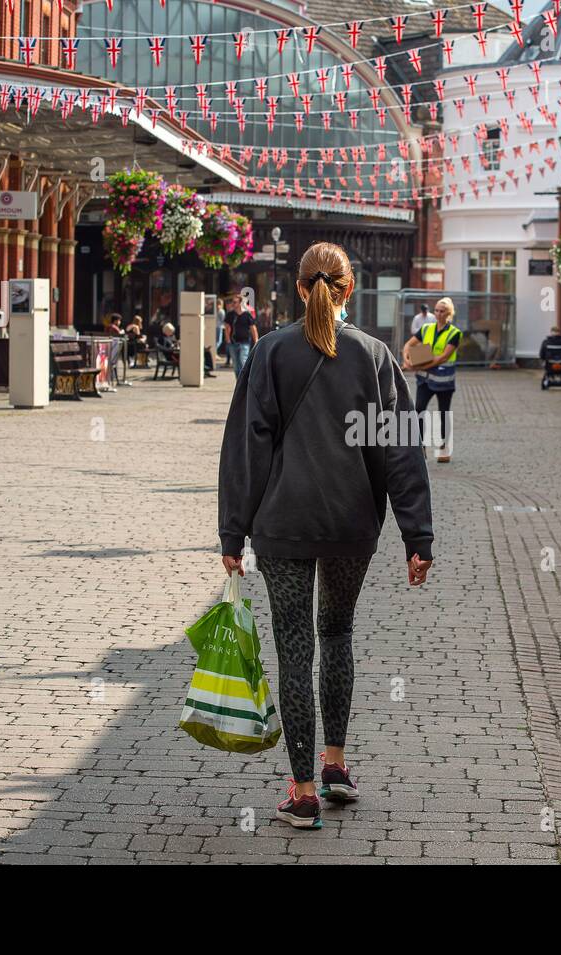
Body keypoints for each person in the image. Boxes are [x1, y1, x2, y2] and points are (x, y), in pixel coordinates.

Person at [219, 241, 434, 830]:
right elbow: (401, 452)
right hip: (349, 525)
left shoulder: (269, 353)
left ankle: (304, 790)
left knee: (295, 647)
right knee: (336, 632)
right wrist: (418, 538)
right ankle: (336, 765)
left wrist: (232, 533)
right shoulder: (375, 356)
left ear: (298, 285)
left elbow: (246, 448)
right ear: (349, 287)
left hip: (283, 526)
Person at [402, 297, 461, 463]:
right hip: (425, 381)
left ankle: (444, 449)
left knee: (443, 414)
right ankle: (421, 448)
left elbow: (443, 357)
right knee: (418, 410)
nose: (438, 313)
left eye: (442, 311)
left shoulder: (455, 333)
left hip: (444, 382)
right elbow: (408, 345)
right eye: (436, 310)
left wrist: (418, 366)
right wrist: (407, 359)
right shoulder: (426, 328)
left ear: (449, 314)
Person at [225, 295, 259, 380]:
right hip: (233, 343)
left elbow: (253, 328)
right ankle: (239, 382)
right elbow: (227, 327)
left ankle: (244, 382)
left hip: (244, 342)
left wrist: (256, 341)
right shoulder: (230, 314)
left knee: (243, 362)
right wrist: (228, 340)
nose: (233, 304)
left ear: (240, 303)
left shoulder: (247, 315)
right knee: (236, 366)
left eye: (235, 302)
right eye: (232, 302)